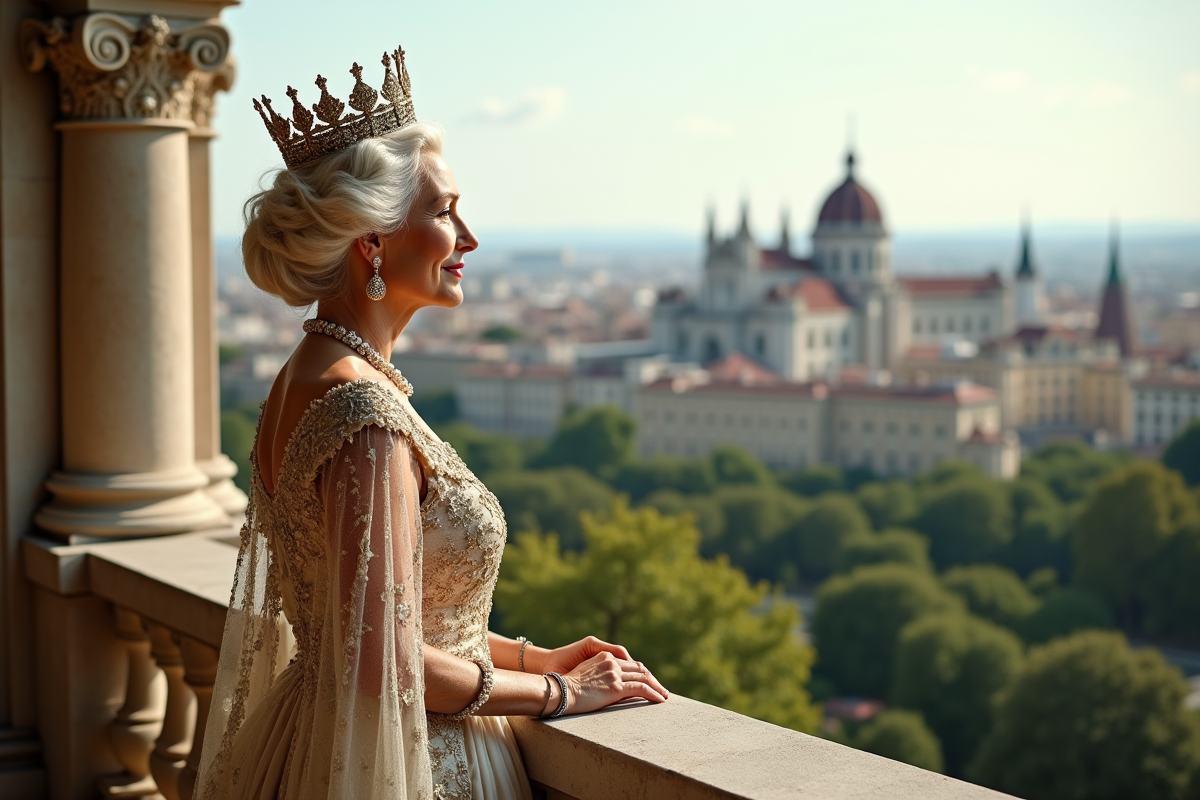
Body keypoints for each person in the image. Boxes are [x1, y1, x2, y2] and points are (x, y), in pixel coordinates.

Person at [194, 48, 668, 800]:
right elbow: (382, 658)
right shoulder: (364, 415)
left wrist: (533, 657)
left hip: (309, 738)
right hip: (421, 765)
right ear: (372, 240)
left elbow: (396, 618)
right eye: (445, 212)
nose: (468, 237)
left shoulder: (303, 375)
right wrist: (560, 694)